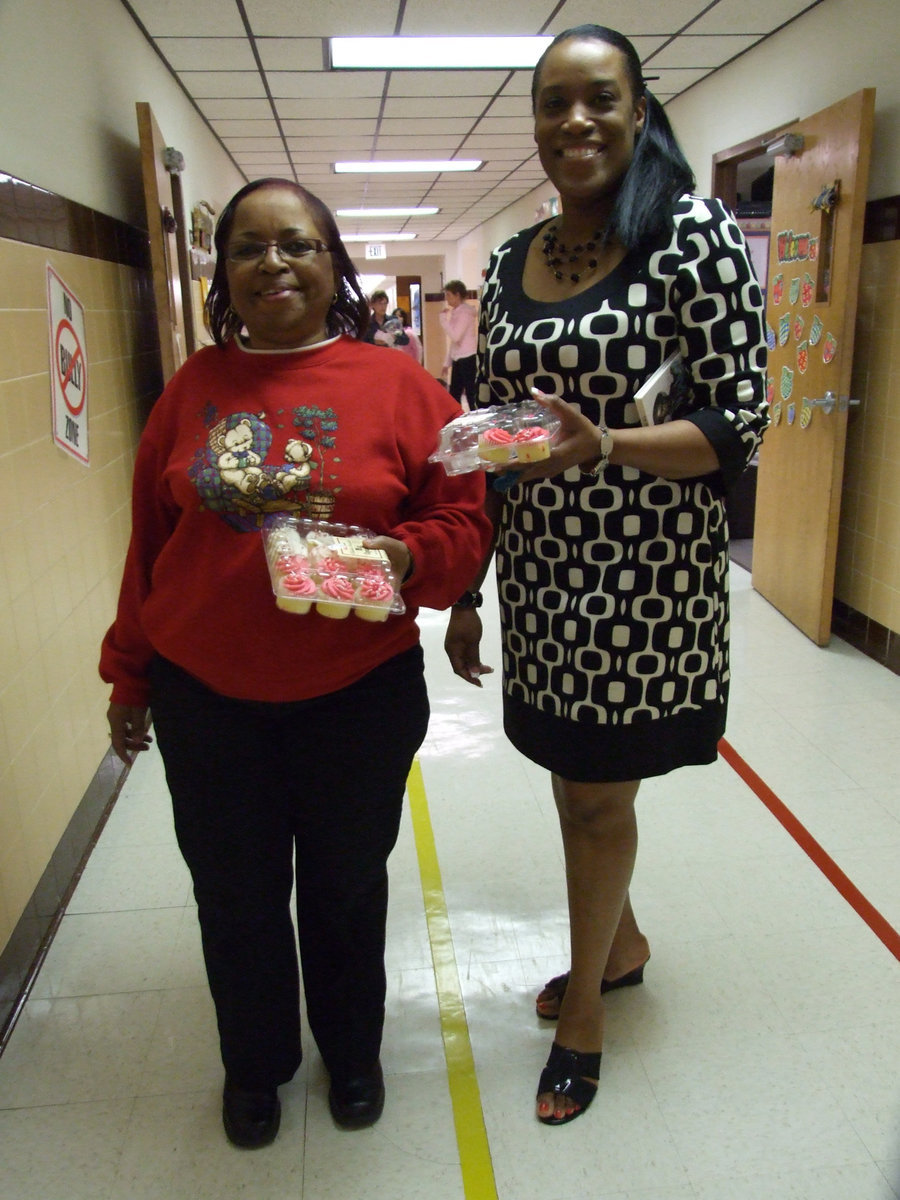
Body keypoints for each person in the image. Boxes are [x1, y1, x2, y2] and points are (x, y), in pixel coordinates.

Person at [99, 178, 491, 1150]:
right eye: (249, 248)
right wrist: (130, 674)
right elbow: (150, 543)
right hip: (208, 698)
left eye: (298, 244)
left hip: (355, 695)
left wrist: (410, 557)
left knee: (347, 884)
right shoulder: (193, 390)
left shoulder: (404, 388)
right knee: (233, 891)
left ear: (332, 265)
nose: (273, 262)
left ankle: (351, 1053)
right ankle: (256, 1064)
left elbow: (464, 523)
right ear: (224, 273)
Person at [444, 25, 768, 1127]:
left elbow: (739, 422)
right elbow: (496, 430)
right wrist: (468, 583)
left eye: (599, 100)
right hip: (541, 577)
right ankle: (620, 941)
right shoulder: (503, 261)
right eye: (552, 104)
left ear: (639, 110)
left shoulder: (690, 235)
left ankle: (586, 1006)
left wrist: (613, 446)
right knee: (576, 781)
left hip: (642, 584)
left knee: (594, 796)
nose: (574, 122)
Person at [439, 279, 478, 404]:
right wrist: (447, 362)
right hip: (458, 358)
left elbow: (456, 336)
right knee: (454, 394)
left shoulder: (465, 313)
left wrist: (443, 320)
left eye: (449, 295)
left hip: (468, 357)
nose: (447, 298)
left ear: (458, 295)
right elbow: (454, 342)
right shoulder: (456, 312)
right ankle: (457, 420)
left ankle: (475, 419)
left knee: (471, 393)